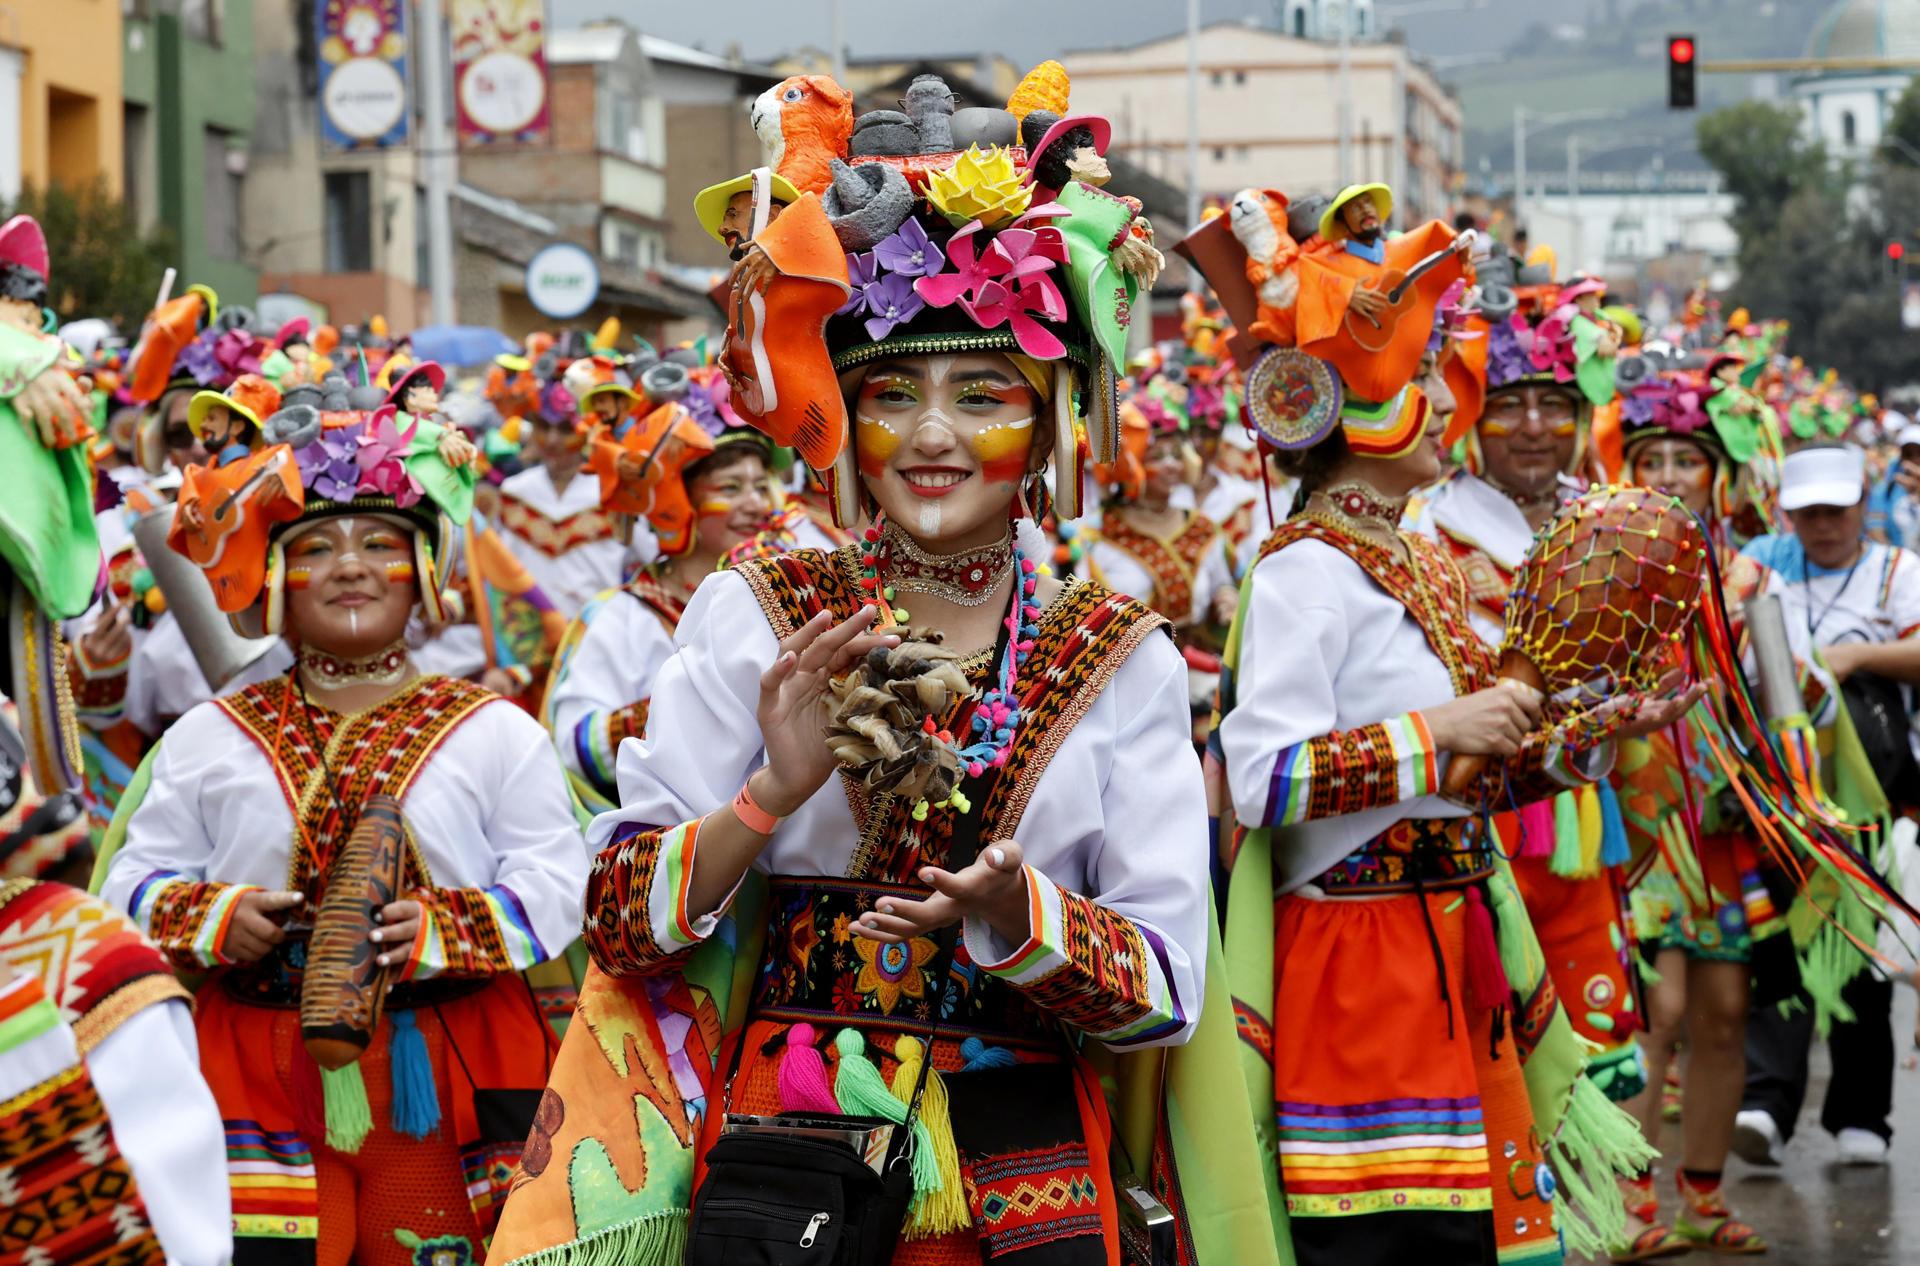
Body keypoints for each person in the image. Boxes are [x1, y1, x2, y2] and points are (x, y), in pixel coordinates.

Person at [490, 70, 1274, 1266]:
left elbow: (1169, 986)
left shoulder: (1123, 657)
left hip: (1033, 1176)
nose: (933, 435)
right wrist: (768, 798)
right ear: (840, 417)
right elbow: (617, 924)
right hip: (789, 1156)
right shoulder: (754, 614)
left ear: (1057, 420)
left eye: (985, 394)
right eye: (892, 393)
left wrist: (1021, 914)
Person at [1213, 375, 1693, 1265]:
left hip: (1457, 946)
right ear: (1353, 415)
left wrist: (1600, 732)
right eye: (1422, 386)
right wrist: (1439, 732)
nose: (1444, 408)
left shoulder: (1421, 559)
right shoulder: (1303, 570)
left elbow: (1475, 779)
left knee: (1480, 1236)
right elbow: (1263, 780)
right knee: (1398, 1238)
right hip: (1360, 962)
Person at [99, 395, 589, 1265]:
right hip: (253, 1064)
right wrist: (214, 915)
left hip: (438, 1063)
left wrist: (447, 926)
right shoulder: (210, 734)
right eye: (316, 548)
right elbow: (127, 887)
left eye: (380, 545)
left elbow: (558, 878)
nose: (349, 566)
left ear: (426, 571)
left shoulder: (496, 728)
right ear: (272, 582)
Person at [1609, 370, 1778, 1258]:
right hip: (1638, 826)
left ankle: (1703, 1197)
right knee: (1655, 1013)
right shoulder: (1604, 565)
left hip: (1722, 825)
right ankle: (1634, 1207)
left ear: (1718, 475)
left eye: (1687, 460)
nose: (1672, 475)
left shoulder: (1748, 575)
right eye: (1653, 459)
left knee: (1721, 1013)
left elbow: (1787, 702)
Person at [1728, 443, 1920, 1173]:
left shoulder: (1896, 573)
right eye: (1809, 512)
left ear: (1862, 505)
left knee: (1861, 952)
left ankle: (1863, 1114)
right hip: (1778, 797)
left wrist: (1853, 659)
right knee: (1776, 947)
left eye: (1837, 510)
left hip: (1868, 800)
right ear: (1789, 513)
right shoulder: (1767, 567)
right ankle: (1767, 1104)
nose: (1824, 525)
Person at [544, 375, 783, 810]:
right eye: (730, 488)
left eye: (760, 485)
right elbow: (577, 748)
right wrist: (696, 698)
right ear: (677, 501)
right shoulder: (623, 616)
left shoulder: (776, 600)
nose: (756, 504)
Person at [495, 376, 643, 618]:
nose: (553, 440)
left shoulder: (613, 492)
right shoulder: (514, 491)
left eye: (565, 429)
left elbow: (645, 559)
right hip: (526, 635)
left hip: (597, 630)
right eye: (544, 426)